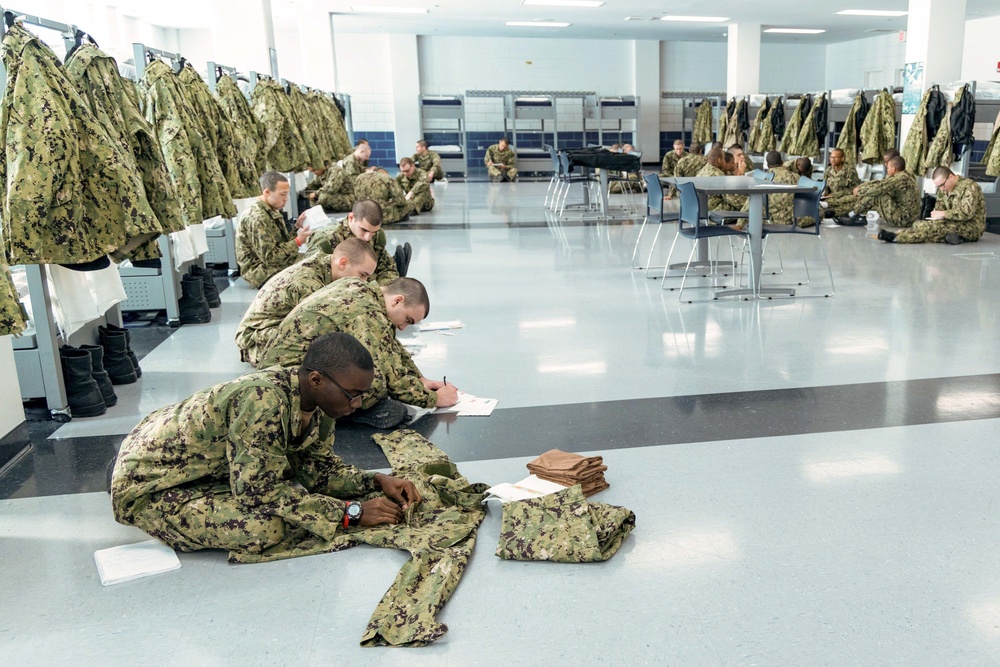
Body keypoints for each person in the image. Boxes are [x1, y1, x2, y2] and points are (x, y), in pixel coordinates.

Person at [110, 332, 422, 556]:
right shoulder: (263, 402)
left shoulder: (322, 406)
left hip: (202, 471)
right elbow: (259, 492)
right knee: (265, 529)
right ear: (317, 380)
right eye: (353, 393)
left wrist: (376, 480)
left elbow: (320, 473)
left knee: (298, 500)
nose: (358, 404)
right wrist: (350, 513)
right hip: (149, 485)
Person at [258, 277, 459, 426]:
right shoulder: (367, 314)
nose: (403, 327)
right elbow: (394, 381)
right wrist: (435, 399)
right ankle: (341, 412)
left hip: (282, 371)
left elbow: (390, 346)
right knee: (374, 381)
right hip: (291, 386)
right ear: (397, 301)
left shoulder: (359, 287)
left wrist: (419, 378)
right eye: (408, 319)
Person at [235, 238, 378, 366]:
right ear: (343, 263)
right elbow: (323, 325)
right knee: (334, 355)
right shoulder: (307, 282)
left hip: (276, 329)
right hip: (257, 342)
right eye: (362, 275)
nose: (363, 282)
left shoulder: (327, 267)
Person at [235, 171, 312, 289]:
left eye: (287, 194)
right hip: (261, 271)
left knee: (316, 259)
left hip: (273, 264)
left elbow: (280, 243)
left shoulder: (269, 210)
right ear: (267, 192)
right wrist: (297, 241)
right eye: (282, 194)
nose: (286, 199)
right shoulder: (257, 217)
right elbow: (270, 258)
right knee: (311, 269)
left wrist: (296, 227)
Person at [879, 166, 986, 244]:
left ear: (951, 177)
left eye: (942, 185)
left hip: (972, 227)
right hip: (953, 222)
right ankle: (953, 238)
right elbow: (940, 207)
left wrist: (944, 214)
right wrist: (936, 215)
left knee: (935, 228)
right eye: (938, 187)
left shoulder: (970, 187)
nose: (941, 189)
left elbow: (967, 214)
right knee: (920, 225)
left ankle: (897, 237)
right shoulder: (944, 189)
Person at [307, 199, 402, 284]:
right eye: (364, 230)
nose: (368, 237)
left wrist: (381, 290)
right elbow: (312, 275)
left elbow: (387, 268)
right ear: (351, 218)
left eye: (373, 232)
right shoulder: (326, 239)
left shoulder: (376, 235)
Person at [842, 155, 920, 227]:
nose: (887, 169)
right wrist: (861, 186)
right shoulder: (906, 175)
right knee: (878, 192)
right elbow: (880, 182)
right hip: (909, 217)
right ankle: (856, 215)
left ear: (894, 169)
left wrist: (859, 191)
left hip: (904, 219)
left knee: (878, 194)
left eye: (888, 168)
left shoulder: (899, 179)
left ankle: (854, 215)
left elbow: (879, 188)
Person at [697, 147, 747, 212]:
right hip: (713, 211)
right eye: (723, 159)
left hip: (700, 210)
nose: (724, 162)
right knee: (750, 204)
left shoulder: (702, 171)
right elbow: (733, 199)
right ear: (719, 160)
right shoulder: (718, 175)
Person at [821, 147, 861, 217]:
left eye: (835, 157)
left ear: (842, 158)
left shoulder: (850, 171)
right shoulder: (828, 170)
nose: (832, 160)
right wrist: (825, 191)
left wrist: (836, 195)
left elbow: (855, 190)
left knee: (854, 200)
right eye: (831, 157)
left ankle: (829, 210)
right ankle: (829, 210)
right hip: (829, 197)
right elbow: (825, 185)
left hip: (844, 197)